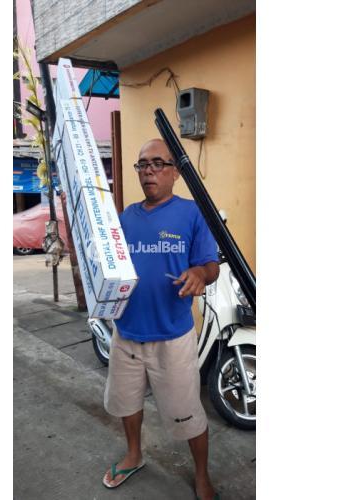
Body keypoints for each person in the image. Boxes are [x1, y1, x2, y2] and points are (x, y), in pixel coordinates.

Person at [102, 138, 220, 500]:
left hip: (173, 337)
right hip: (127, 332)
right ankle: (134, 454)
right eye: (142, 164)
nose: (148, 171)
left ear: (175, 172)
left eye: (158, 163)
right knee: (126, 403)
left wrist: (200, 273)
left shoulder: (192, 213)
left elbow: (211, 264)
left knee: (188, 413)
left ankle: (201, 475)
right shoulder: (126, 217)